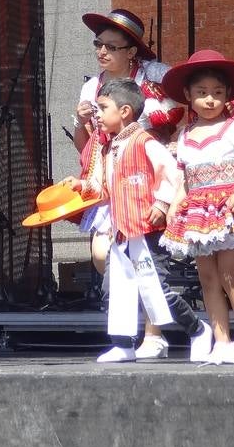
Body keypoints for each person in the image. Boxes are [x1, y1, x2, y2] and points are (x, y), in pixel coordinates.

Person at [62, 78, 212, 363]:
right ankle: (123, 344)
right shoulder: (108, 149)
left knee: (156, 289)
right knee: (115, 290)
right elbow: (101, 186)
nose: (97, 115)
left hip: (145, 230)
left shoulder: (145, 142)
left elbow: (172, 173)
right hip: (120, 231)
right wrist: (82, 186)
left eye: (103, 108)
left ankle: (197, 329)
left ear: (125, 111)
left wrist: (162, 202)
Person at [72, 8, 183, 356]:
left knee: (143, 257)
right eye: (98, 45)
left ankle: (153, 335)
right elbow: (87, 146)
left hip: (148, 177)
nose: (102, 52)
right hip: (111, 177)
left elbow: (185, 113)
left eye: (111, 46)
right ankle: (131, 333)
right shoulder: (93, 86)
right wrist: (80, 123)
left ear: (131, 51)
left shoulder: (156, 76)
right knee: (103, 254)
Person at [161, 50, 234, 364]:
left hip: (229, 210)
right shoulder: (185, 135)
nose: (210, 99)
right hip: (199, 213)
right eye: (202, 93)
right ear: (188, 95)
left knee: (230, 273)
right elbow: (185, 178)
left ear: (227, 95)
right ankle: (222, 339)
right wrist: (176, 203)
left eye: (217, 93)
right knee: (208, 278)